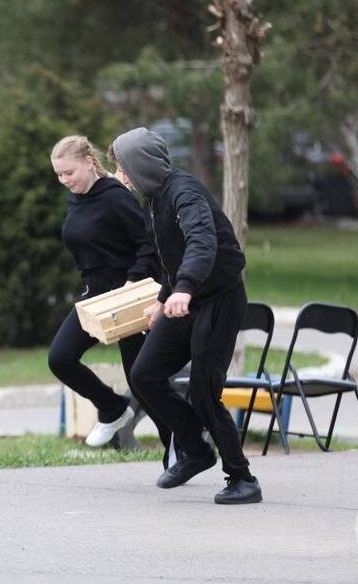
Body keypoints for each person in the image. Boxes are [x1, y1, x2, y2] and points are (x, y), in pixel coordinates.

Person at [109, 127, 262, 505]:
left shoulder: (185, 192)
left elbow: (201, 241)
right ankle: (194, 449)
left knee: (204, 392)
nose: (121, 175)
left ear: (142, 165)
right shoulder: (156, 198)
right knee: (144, 374)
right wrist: (164, 298)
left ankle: (243, 478)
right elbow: (171, 257)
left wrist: (184, 288)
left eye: (124, 167)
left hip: (218, 300)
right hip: (186, 297)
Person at [48, 135, 173, 458]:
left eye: (69, 173)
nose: (64, 181)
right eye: (59, 175)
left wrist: (133, 283)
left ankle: (180, 448)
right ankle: (114, 408)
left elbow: (149, 244)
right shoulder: (76, 197)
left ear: (89, 162)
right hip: (96, 299)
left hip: (127, 299)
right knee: (60, 358)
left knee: (144, 382)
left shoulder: (116, 197)